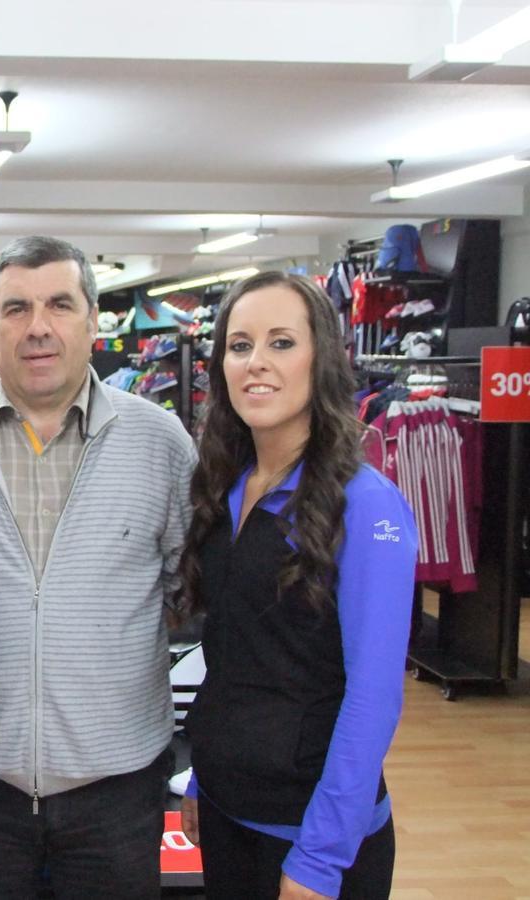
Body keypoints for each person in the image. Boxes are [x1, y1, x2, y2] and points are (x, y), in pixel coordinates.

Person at [0, 235, 197, 898]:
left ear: (93, 322)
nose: (38, 327)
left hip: (117, 788)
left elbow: (190, 589)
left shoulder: (160, 443)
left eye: (59, 305)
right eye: (16, 309)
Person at [175, 271, 417, 899]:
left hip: (312, 838)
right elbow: (234, 656)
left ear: (323, 359)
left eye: (282, 343)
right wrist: (204, 777)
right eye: (239, 344)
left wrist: (320, 857)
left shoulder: (366, 506)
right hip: (229, 814)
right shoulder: (225, 490)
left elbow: (373, 697)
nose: (257, 363)